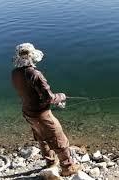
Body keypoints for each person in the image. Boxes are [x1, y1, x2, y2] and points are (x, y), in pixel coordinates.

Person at [11, 43, 81, 176]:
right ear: (31, 57)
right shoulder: (35, 74)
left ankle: (50, 163)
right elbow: (49, 98)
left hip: (27, 112)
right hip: (41, 114)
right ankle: (67, 167)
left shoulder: (15, 73)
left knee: (42, 138)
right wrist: (61, 96)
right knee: (59, 139)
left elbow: (29, 93)